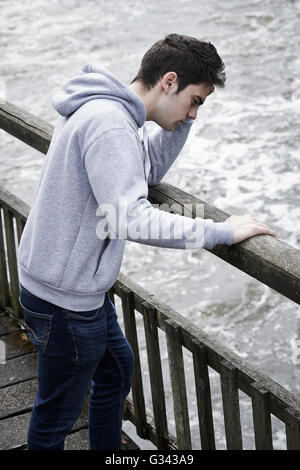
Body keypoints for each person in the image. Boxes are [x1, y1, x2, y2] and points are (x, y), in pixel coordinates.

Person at [17, 33, 275, 450]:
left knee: (116, 371)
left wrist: (182, 125)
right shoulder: (110, 123)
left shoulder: (112, 112)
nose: (193, 113)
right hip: (64, 299)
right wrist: (221, 232)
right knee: (55, 417)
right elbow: (128, 217)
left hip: (68, 286)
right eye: (195, 101)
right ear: (169, 81)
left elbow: (142, 169)